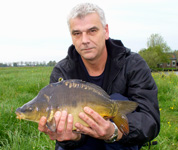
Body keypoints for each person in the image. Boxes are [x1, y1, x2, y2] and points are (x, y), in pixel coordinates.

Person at [38, 3, 160, 150]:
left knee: (118, 99)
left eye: (92, 31)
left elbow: (150, 120)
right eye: (77, 33)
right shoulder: (63, 72)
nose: (84, 40)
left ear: (106, 31)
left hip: (121, 142)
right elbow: (67, 139)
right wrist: (73, 137)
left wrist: (113, 131)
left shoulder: (133, 64)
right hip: (83, 143)